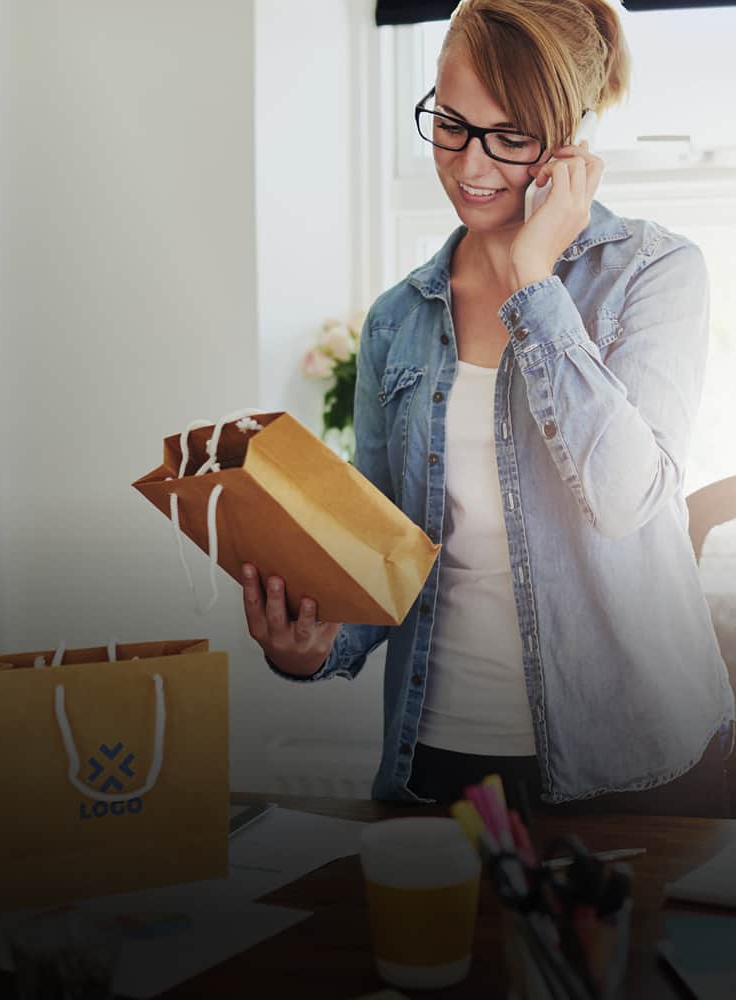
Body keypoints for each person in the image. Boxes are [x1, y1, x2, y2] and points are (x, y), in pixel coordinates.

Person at [242, 0, 735, 814]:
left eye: (509, 138)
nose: (470, 166)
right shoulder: (398, 320)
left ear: (570, 140)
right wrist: (312, 645)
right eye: (450, 124)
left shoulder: (654, 274)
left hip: (632, 765)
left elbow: (627, 501)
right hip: (436, 763)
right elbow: (386, 556)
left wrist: (534, 281)